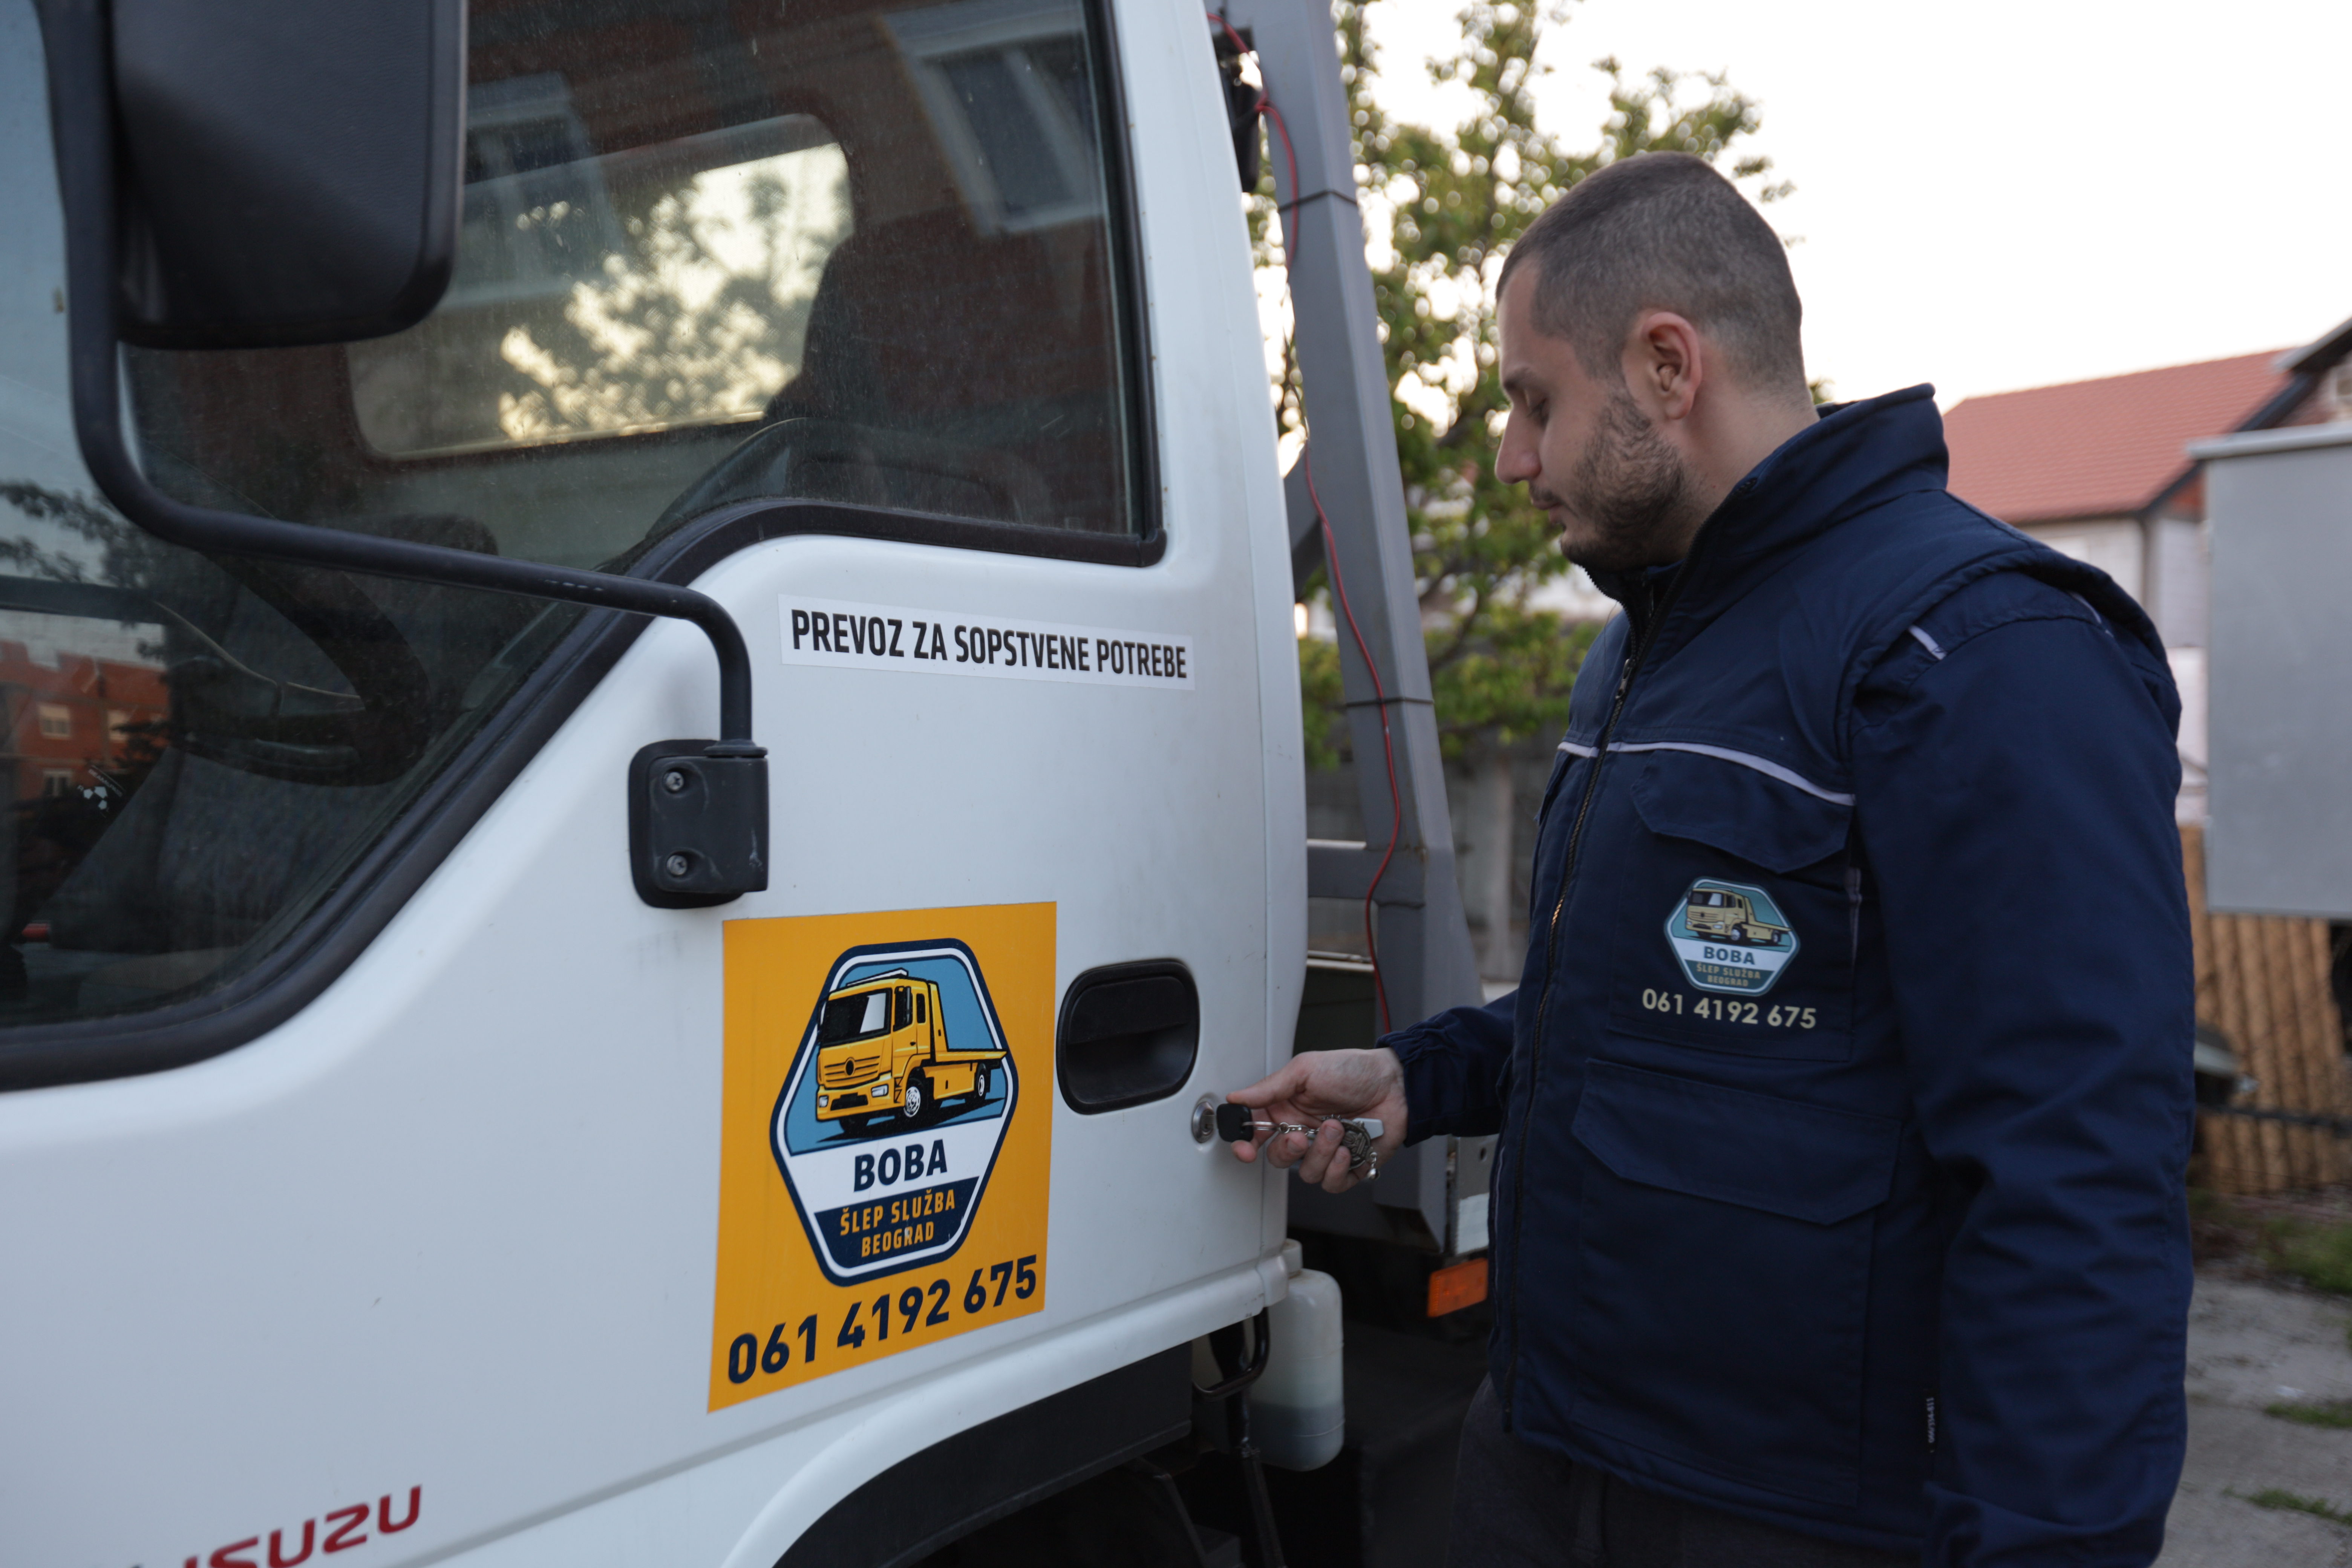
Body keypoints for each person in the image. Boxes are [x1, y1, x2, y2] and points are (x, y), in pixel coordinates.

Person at [1227, 152, 2193, 1567]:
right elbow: (1668, 1006)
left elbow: (2077, 1177)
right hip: (1551, 1455)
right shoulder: (1641, 654)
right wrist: (1423, 1075)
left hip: (1784, 1516)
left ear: (1667, 366)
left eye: (1532, 400)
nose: (1509, 456)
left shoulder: (1980, 654)